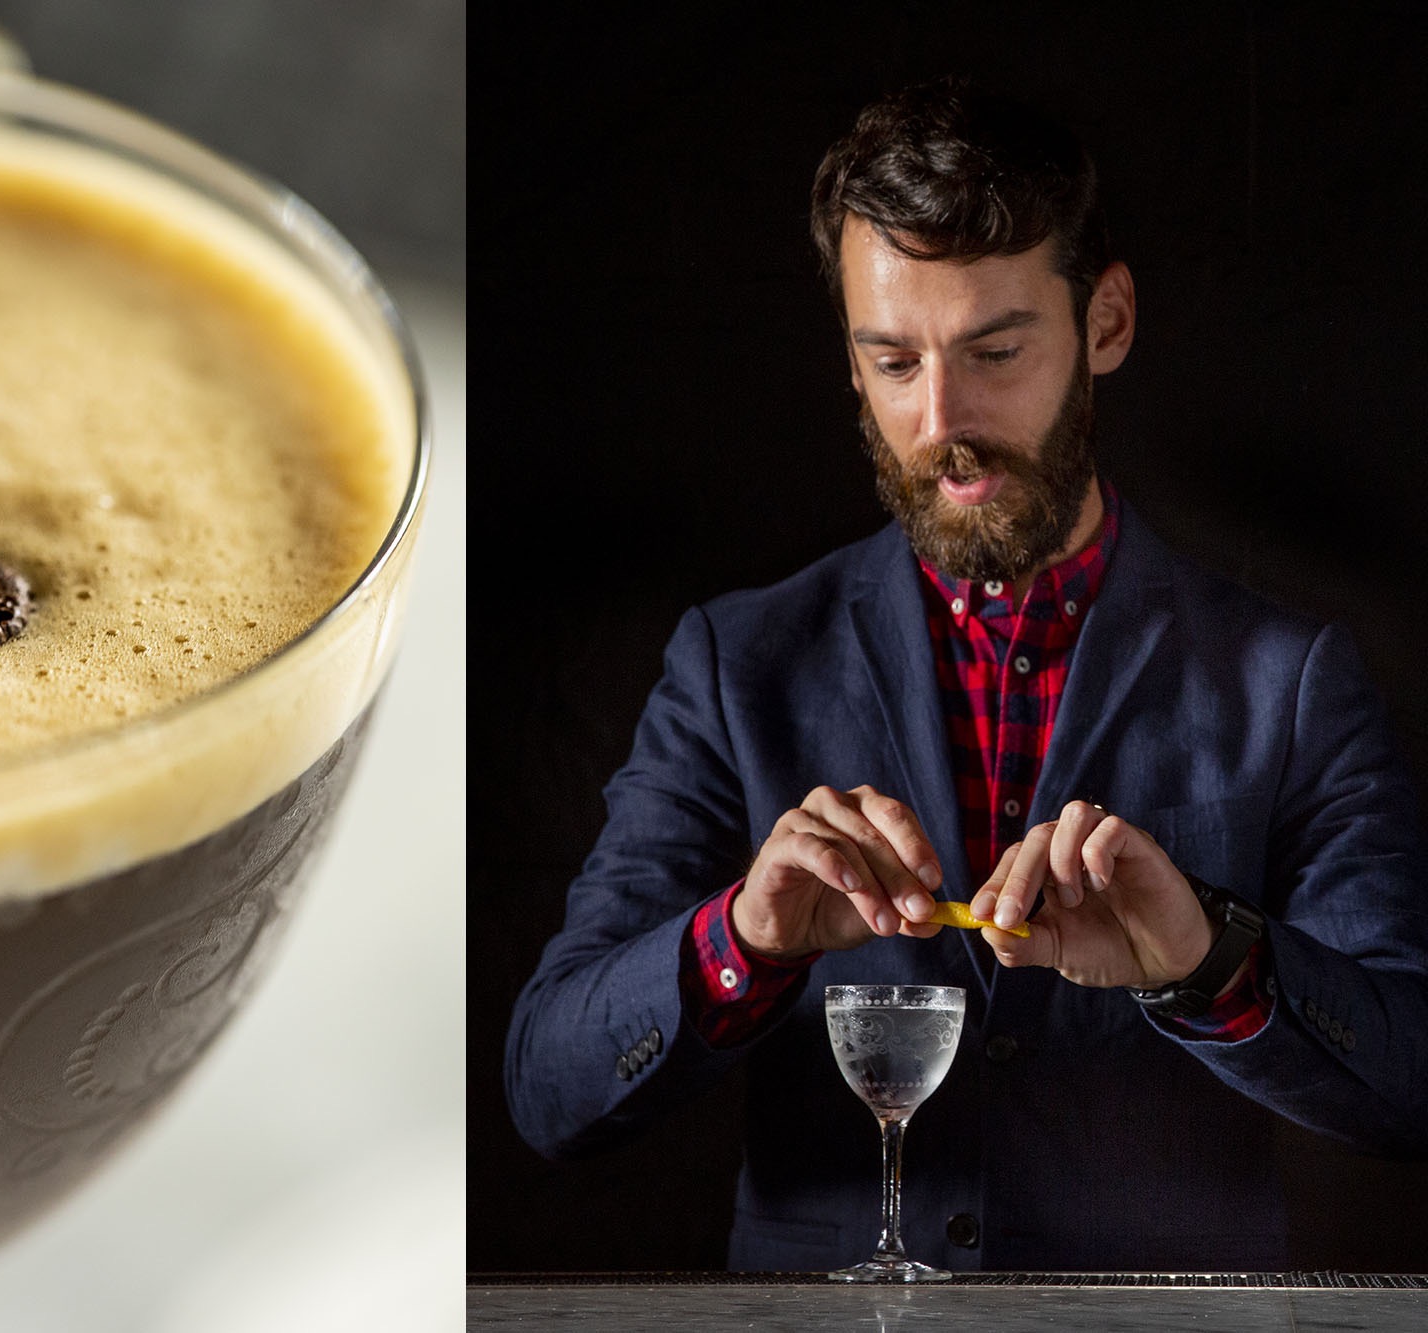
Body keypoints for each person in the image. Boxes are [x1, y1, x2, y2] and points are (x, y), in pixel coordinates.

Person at [501, 76, 1428, 1273]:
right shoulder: (734, 664)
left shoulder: (1287, 679)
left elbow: (1409, 1084)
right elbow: (545, 1087)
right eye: (890, 360)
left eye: (992, 351)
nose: (940, 419)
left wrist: (1208, 956)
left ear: (1104, 323)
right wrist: (742, 939)